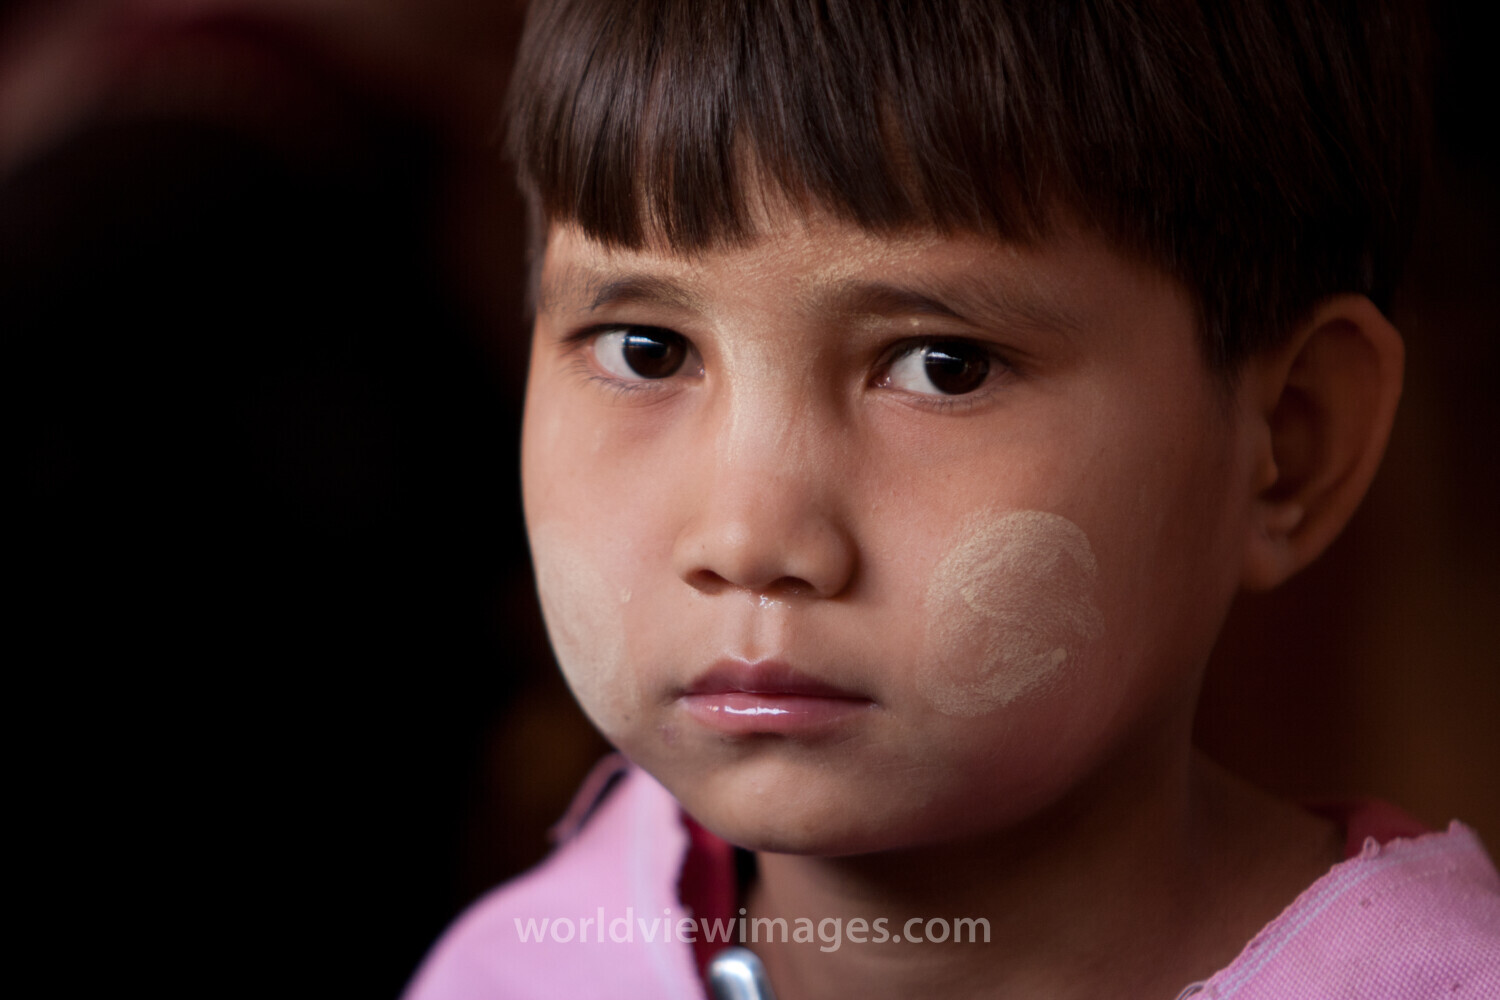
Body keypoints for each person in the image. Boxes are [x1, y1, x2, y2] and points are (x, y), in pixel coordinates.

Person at [405, 1, 1500, 997]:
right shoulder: (512, 973)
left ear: (1287, 445)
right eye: (647, 349)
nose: (748, 537)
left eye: (944, 366)